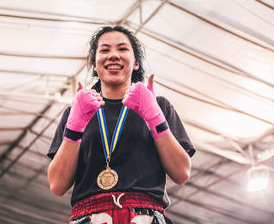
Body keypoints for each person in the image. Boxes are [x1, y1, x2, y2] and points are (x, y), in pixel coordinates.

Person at [47, 26, 195, 224]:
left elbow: (182, 173)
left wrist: (155, 118)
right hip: (90, 217)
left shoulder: (159, 106)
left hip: (145, 217)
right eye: (105, 50)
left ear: (136, 63)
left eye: (123, 49)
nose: (114, 55)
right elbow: (57, 185)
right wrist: (75, 127)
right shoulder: (75, 112)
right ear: (94, 64)